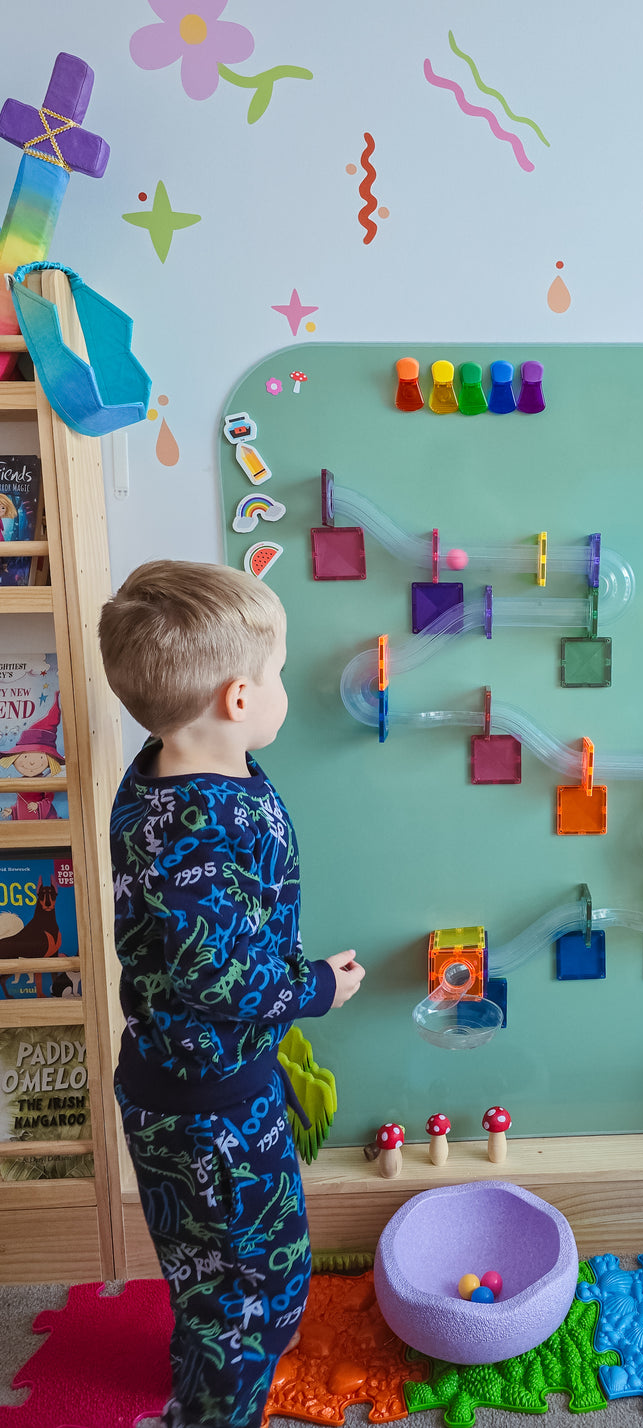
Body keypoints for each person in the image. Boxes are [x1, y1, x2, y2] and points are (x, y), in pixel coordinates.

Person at [98, 559, 364, 1428]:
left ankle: (203, 1362)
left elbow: (209, 941)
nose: (283, 685)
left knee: (206, 1267)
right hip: (207, 1110)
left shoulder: (163, 772)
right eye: (277, 672)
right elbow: (224, 977)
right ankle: (212, 1408)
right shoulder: (208, 820)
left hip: (189, 1084)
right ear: (239, 700)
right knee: (261, 1282)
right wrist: (318, 985)